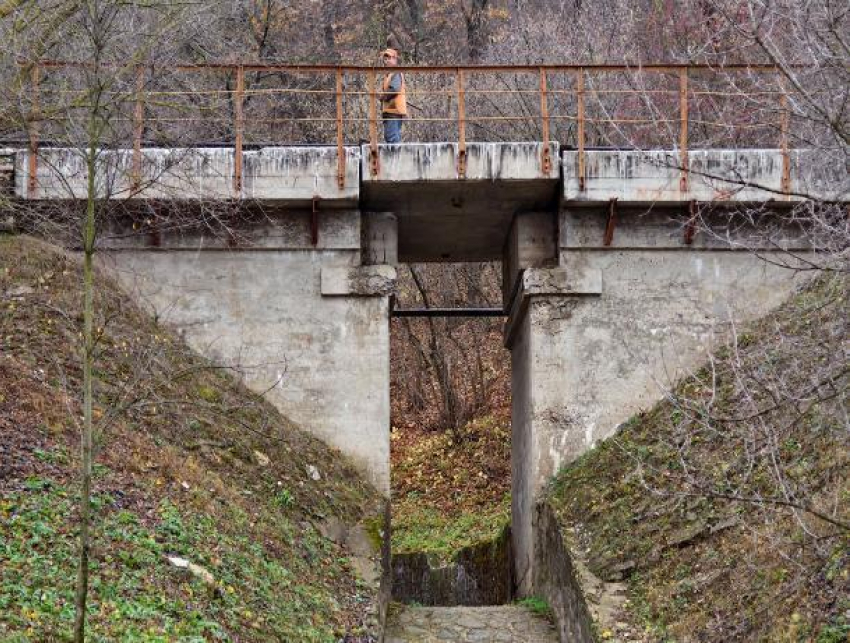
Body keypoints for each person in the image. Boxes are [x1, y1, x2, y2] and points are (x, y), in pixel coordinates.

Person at [379, 47, 406, 143]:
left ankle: (395, 157)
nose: (386, 61)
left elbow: (394, 88)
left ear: (395, 59)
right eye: (385, 59)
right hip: (391, 110)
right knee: (390, 137)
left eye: (389, 58)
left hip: (394, 111)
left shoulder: (395, 73)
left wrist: (383, 96)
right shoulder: (390, 74)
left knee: (392, 138)